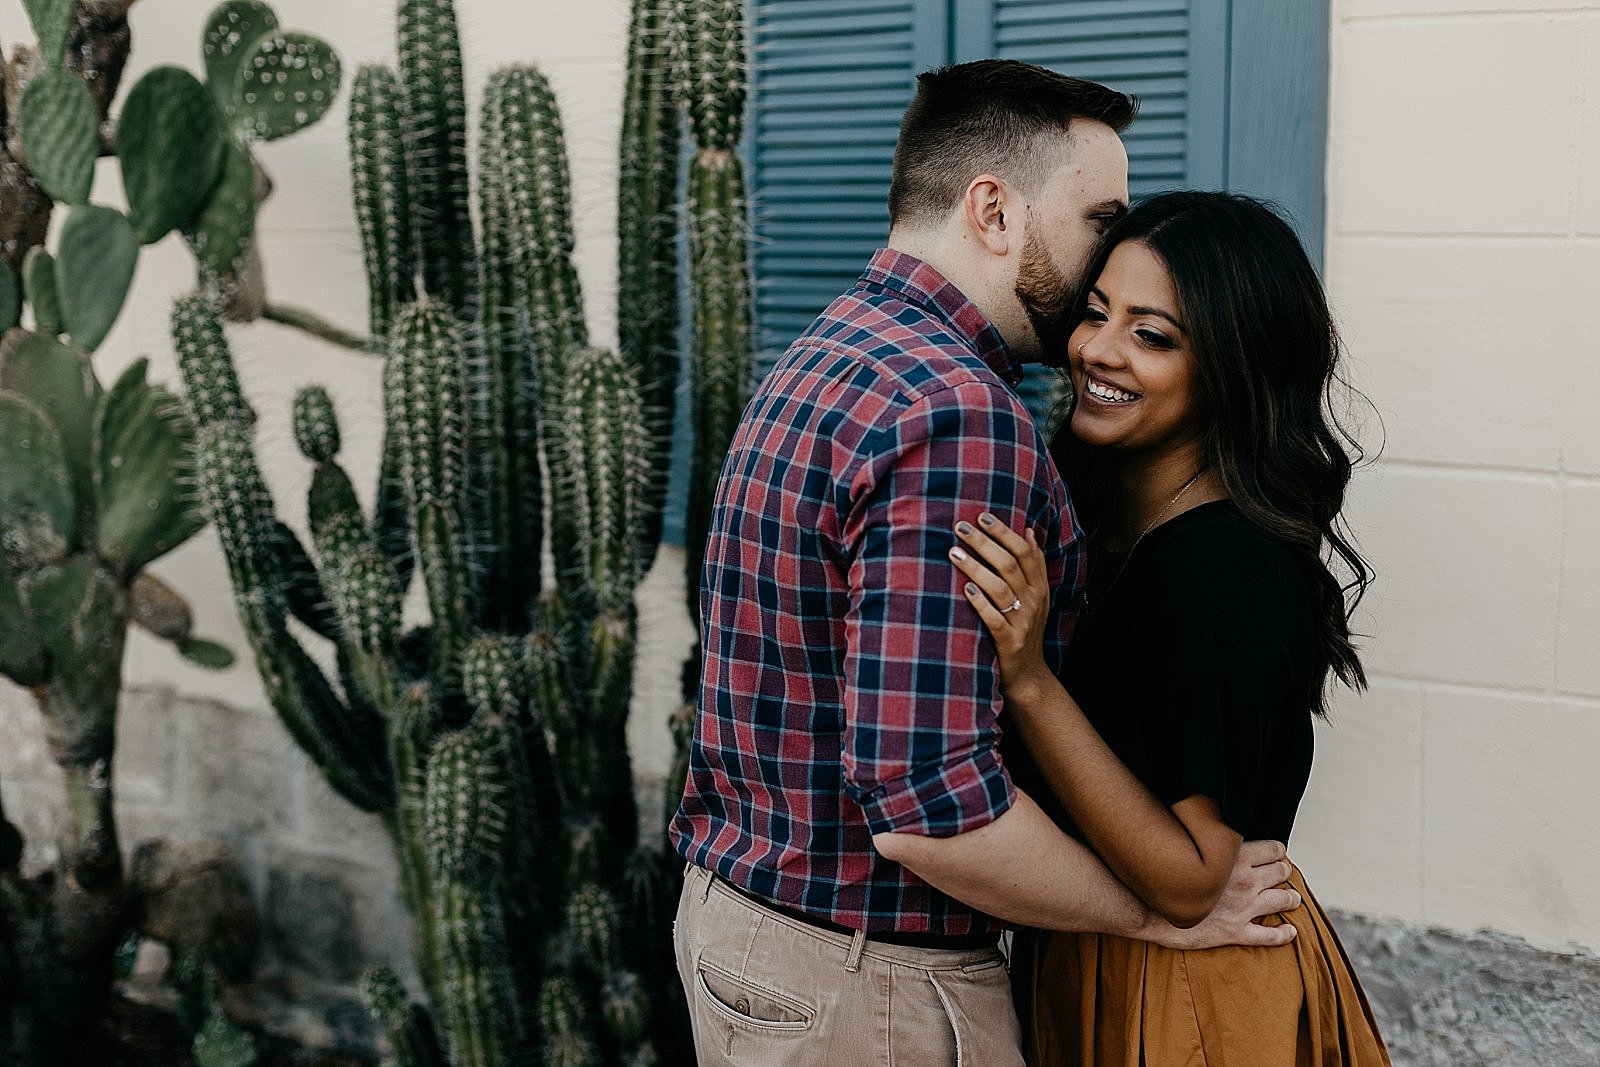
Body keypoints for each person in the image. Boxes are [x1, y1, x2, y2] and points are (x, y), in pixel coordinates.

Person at [670, 61, 1301, 1066]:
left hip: (747, 927)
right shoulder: (958, 414)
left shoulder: (826, 350)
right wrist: (1151, 915)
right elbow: (931, 813)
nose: (1110, 254)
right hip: (864, 978)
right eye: (1098, 216)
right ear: (994, 210)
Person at [948, 190, 1391, 1065]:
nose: (1097, 351)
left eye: (1153, 335)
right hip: (1119, 959)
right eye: (1096, 313)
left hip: (1192, 988)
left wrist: (1030, 680)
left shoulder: (1216, 566)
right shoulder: (1123, 524)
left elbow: (1191, 878)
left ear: (1233, 366)